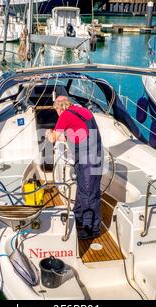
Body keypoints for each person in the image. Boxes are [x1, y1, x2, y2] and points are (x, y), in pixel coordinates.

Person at [46, 96, 103, 240]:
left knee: (88, 195)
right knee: (84, 189)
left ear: (59, 108)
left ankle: (90, 229)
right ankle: (78, 216)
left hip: (87, 159)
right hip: (94, 155)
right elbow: (76, 134)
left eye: (56, 110)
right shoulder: (82, 110)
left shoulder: (65, 115)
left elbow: (53, 138)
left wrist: (48, 132)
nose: (57, 113)